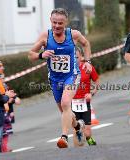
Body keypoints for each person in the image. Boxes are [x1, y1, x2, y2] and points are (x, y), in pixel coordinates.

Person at [28, 8, 92, 148]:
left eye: (60, 23)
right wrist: (40, 55)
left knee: (65, 103)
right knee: (65, 111)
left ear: (66, 23)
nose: (57, 26)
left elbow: (86, 44)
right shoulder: (45, 36)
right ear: (51, 21)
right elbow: (30, 54)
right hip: (55, 79)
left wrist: (87, 62)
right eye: (54, 22)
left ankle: (64, 137)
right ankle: (77, 126)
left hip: (72, 76)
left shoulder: (73, 35)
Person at [72, 47, 99, 146]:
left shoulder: (87, 67)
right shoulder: (67, 71)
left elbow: (96, 81)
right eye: (72, 57)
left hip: (85, 102)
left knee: (87, 132)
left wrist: (91, 93)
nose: (74, 59)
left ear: (82, 57)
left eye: (77, 57)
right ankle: (78, 153)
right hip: (72, 104)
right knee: (76, 130)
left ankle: (89, 138)